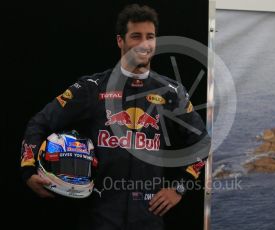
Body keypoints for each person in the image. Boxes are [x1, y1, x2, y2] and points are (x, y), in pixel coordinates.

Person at [20, 4, 209, 230]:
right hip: (98, 218)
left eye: (150, 37)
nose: (144, 44)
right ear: (120, 41)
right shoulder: (91, 88)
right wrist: (28, 170)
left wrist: (179, 188)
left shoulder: (171, 92)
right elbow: (40, 122)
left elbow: (202, 143)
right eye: (136, 36)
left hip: (148, 218)